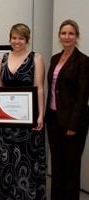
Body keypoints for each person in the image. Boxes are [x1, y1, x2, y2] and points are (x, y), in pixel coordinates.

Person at [0, 23, 46, 199]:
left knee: (27, 159)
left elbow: (39, 88)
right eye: (14, 37)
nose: (17, 41)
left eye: (21, 38)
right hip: (5, 119)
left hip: (28, 120)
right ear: (10, 38)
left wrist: (41, 115)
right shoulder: (2, 59)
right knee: (4, 159)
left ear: (27, 40)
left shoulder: (36, 58)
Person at [45, 20, 89, 200]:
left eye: (71, 33)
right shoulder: (55, 58)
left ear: (77, 36)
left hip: (73, 120)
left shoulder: (83, 61)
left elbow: (82, 95)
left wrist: (74, 123)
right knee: (57, 161)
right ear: (59, 36)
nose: (67, 37)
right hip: (53, 117)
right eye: (64, 33)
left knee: (71, 164)